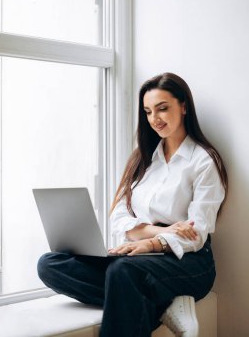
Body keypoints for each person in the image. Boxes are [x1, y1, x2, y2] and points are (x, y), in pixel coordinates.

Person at [37, 72, 228, 337]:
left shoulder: (204, 161)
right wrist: (159, 231)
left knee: (123, 271)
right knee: (50, 264)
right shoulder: (143, 158)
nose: (154, 119)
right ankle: (165, 305)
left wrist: (151, 242)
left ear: (184, 106)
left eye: (162, 109)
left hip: (189, 262)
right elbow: (119, 216)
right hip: (140, 254)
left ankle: (154, 298)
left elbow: (196, 233)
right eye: (148, 111)